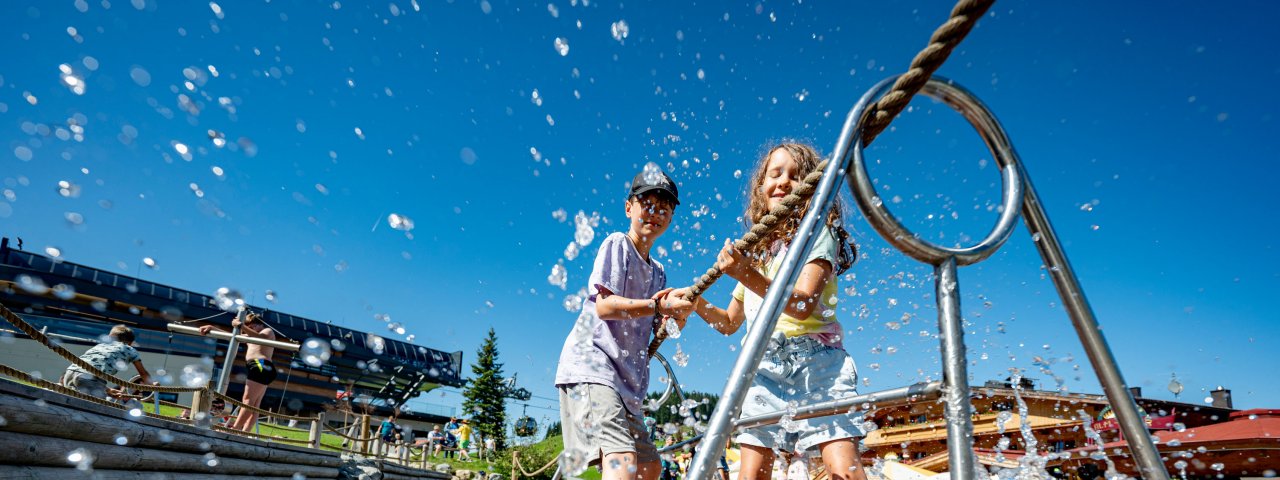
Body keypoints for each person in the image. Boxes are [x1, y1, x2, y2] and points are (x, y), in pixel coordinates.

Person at [676, 143, 866, 480]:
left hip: (817, 362)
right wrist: (695, 303)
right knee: (751, 475)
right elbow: (730, 323)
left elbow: (804, 302)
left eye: (796, 176)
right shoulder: (760, 256)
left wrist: (745, 274)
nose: (783, 182)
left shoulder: (816, 234)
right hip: (761, 368)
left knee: (843, 469)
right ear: (760, 188)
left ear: (810, 187)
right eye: (774, 174)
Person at [554, 165, 696, 480]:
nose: (655, 213)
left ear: (670, 219)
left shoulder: (659, 271)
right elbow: (604, 307)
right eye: (647, 204)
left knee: (649, 467)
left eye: (664, 208)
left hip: (626, 382)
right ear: (629, 207)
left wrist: (677, 317)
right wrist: (656, 304)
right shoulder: (618, 244)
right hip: (593, 366)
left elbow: (660, 329)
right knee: (622, 459)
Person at [198, 310, 278, 432]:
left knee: (247, 400)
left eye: (254, 325)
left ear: (261, 324)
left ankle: (235, 429)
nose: (251, 328)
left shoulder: (267, 331)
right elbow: (233, 336)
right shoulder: (250, 335)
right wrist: (212, 328)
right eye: (249, 326)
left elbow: (259, 337)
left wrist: (241, 326)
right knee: (255, 404)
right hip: (260, 367)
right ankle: (244, 432)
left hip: (261, 365)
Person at [60, 324, 150, 401]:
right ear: (130, 343)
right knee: (97, 409)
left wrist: (107, 390)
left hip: (69, 373)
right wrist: (152, 384)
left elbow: (85, 372)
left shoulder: (101, 345)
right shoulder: (130, 349)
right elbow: (142, 373)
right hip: (89, 378)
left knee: (71, 401)